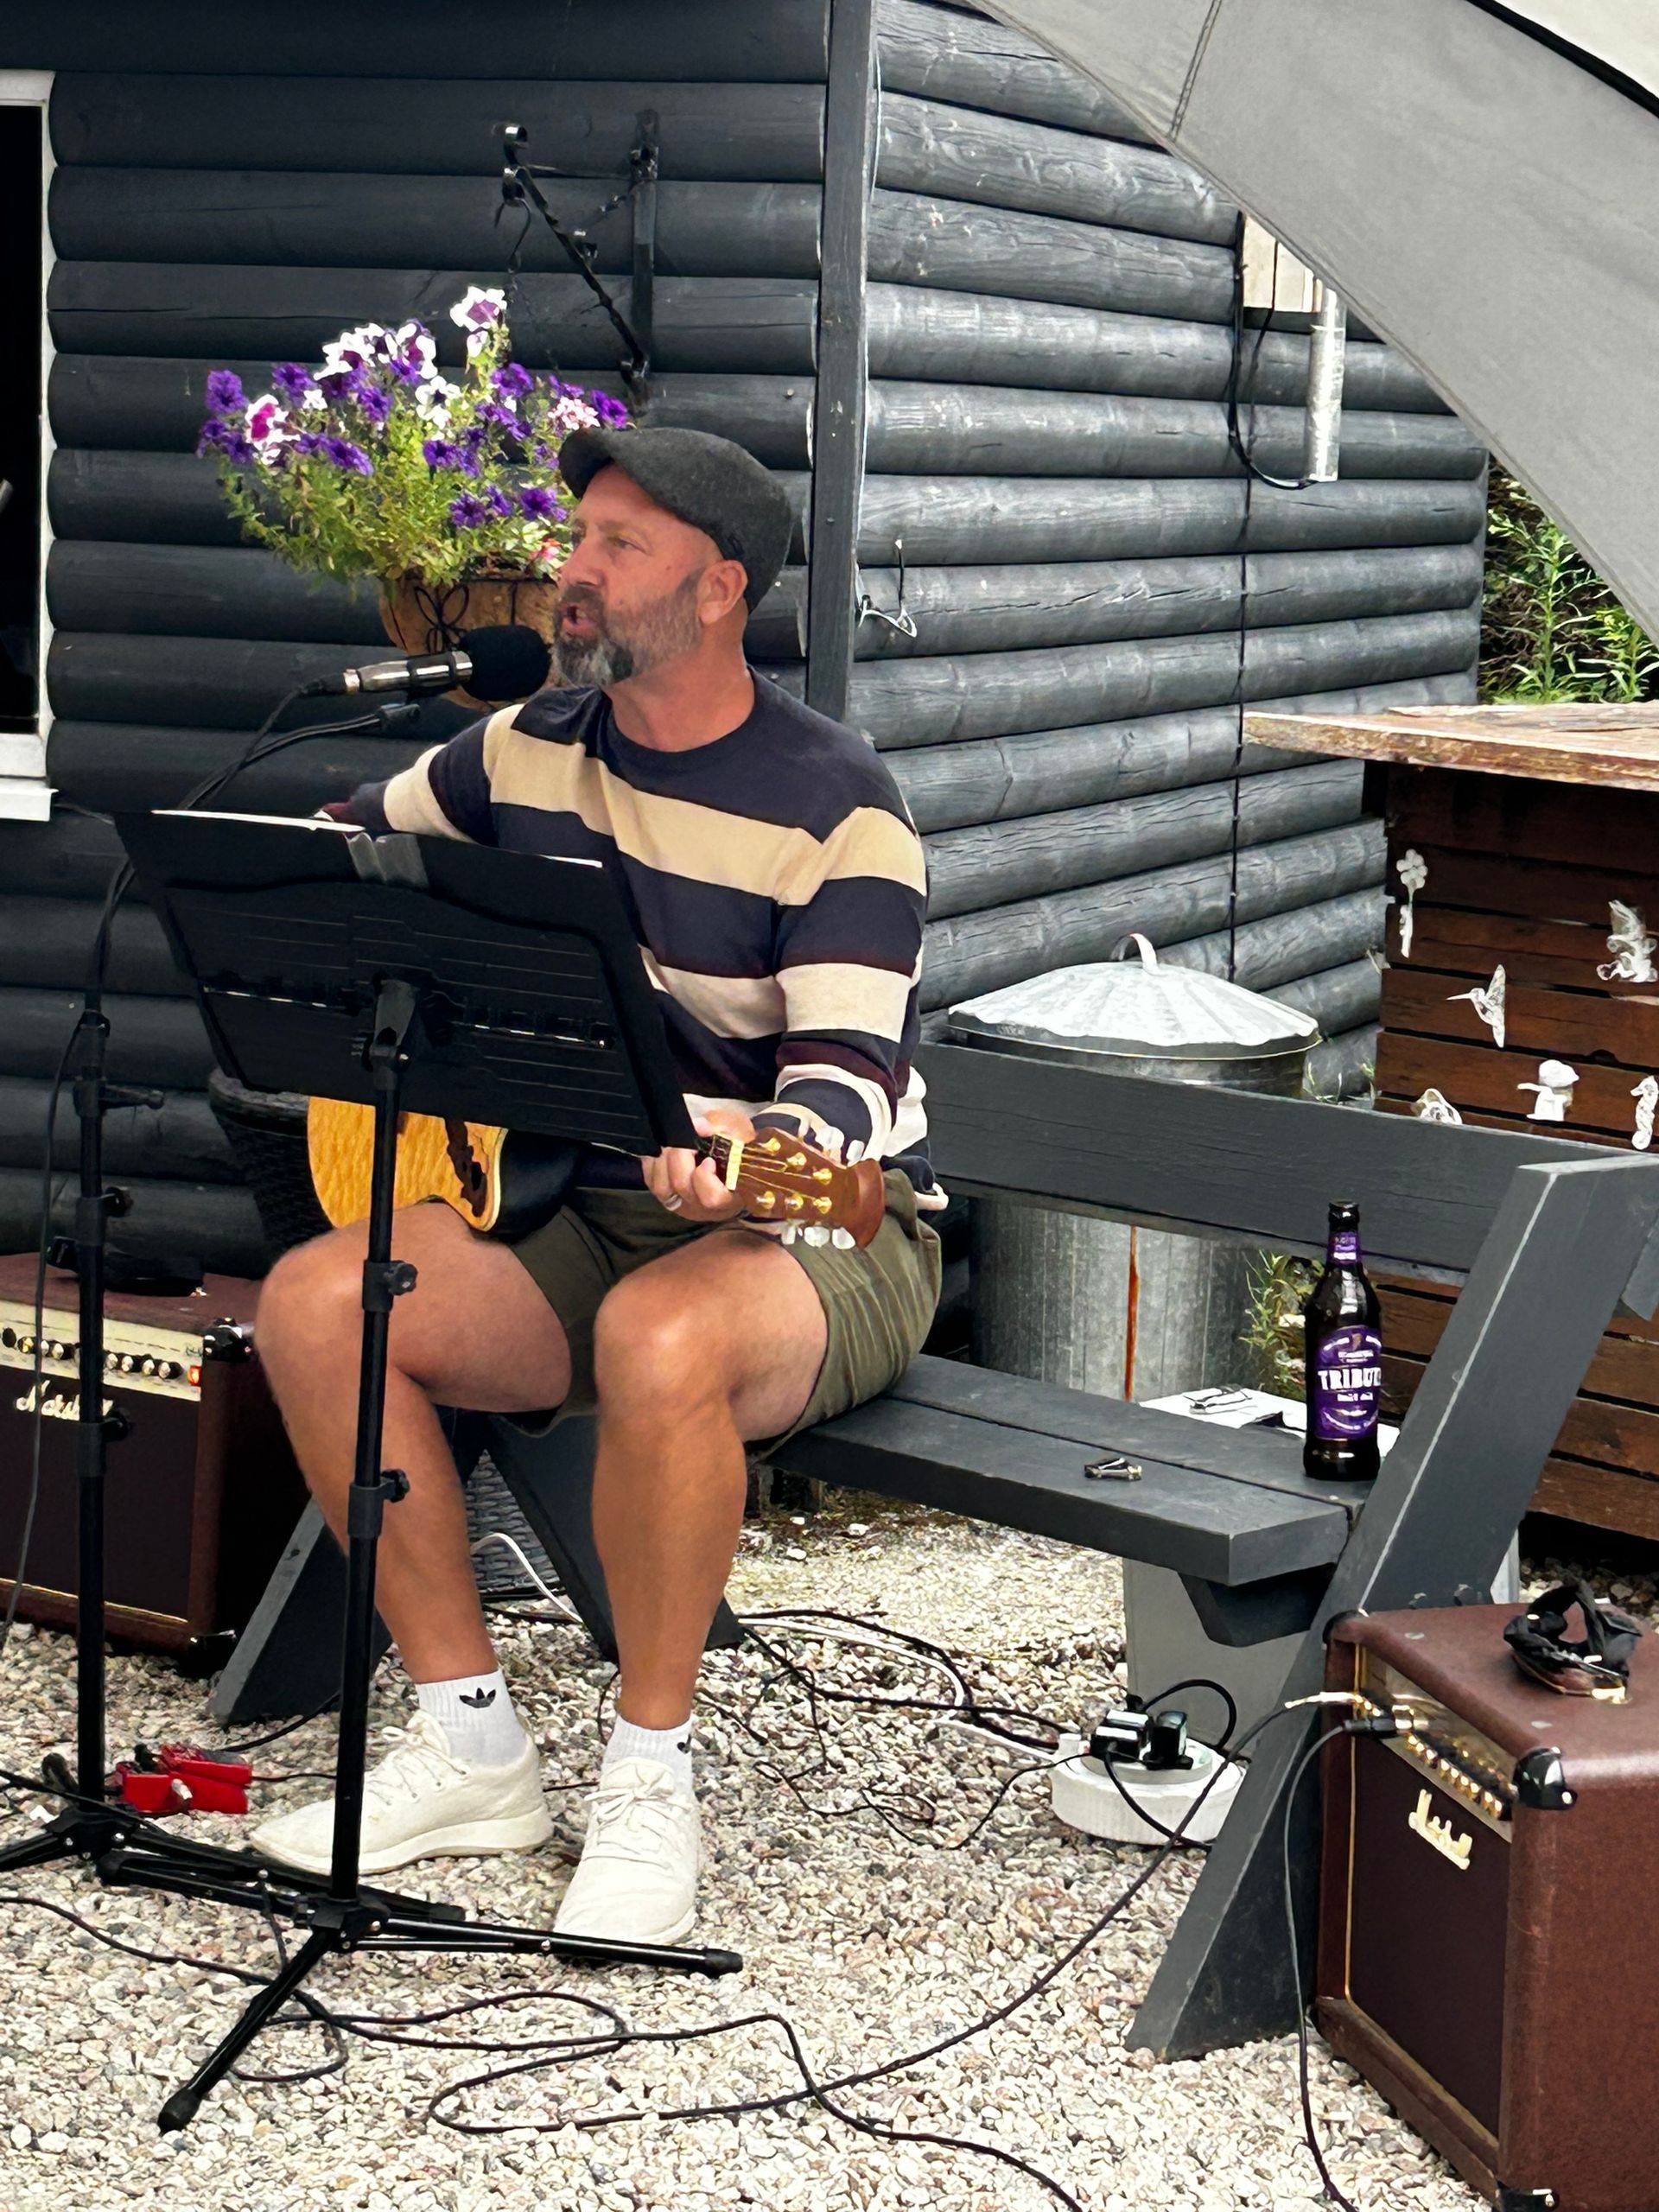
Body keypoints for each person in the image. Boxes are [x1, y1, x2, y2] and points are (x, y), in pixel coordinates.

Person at [251, 425, 943, 1943]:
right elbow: (344, 850)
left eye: (619, 545)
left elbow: (837, 1095)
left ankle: (647, 1778)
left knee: (659, 1338)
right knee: (321, 1301)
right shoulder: (524, 745)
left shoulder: (839, 804)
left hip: (826, 1228)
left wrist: (755, 1176)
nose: (575, 569)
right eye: (581, 537)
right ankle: (472, 1747)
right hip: (591, 1204)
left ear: (716, 592)